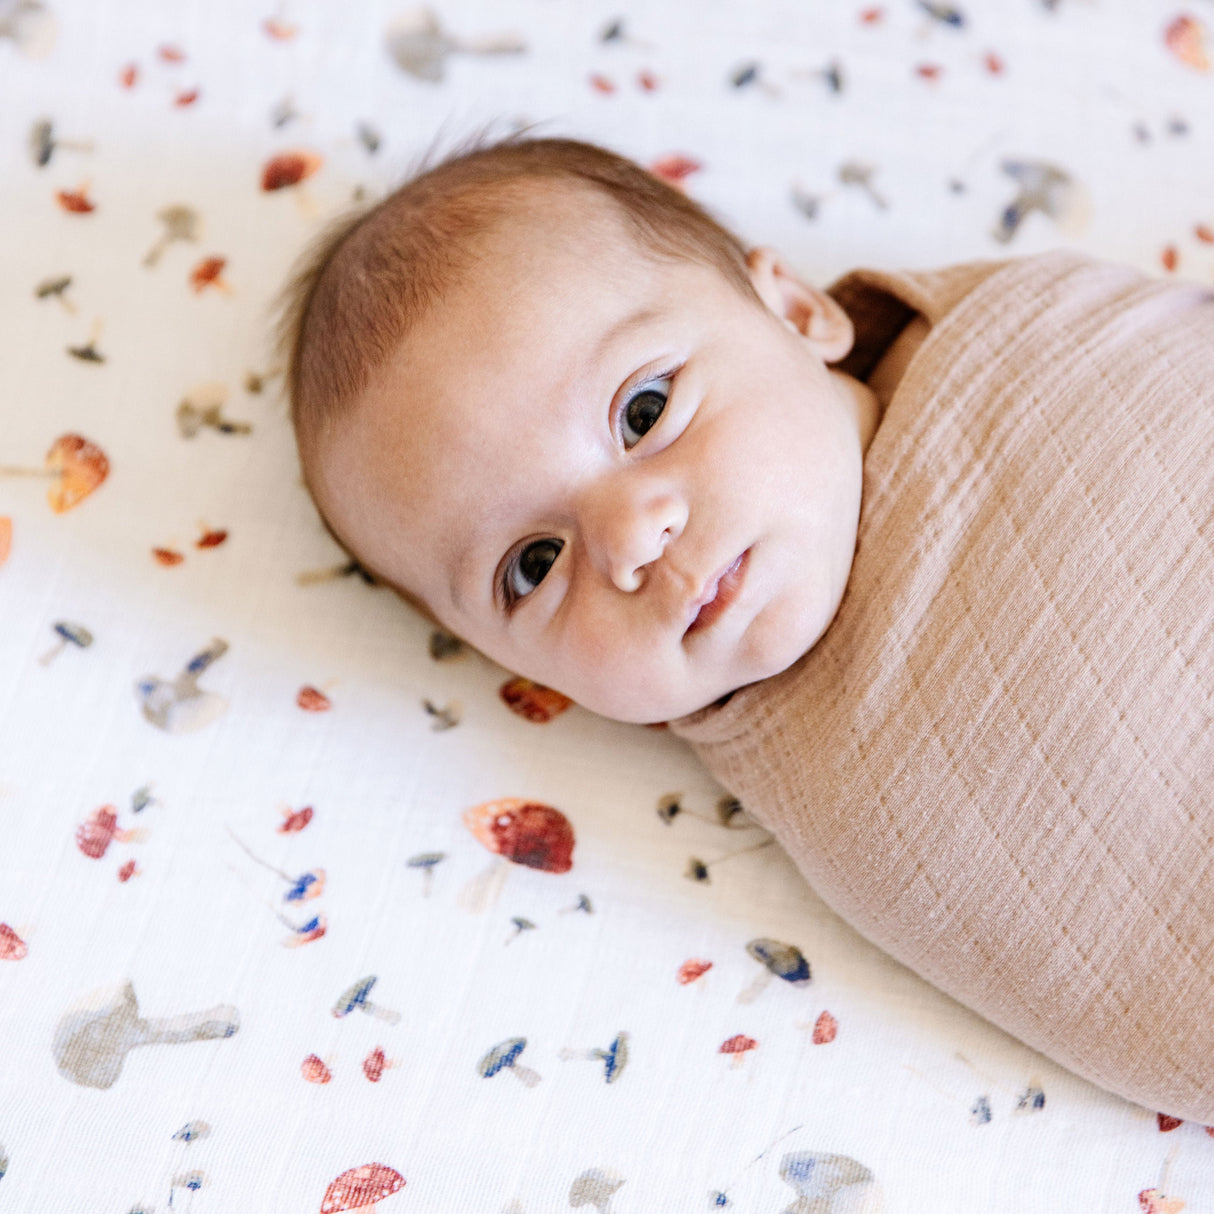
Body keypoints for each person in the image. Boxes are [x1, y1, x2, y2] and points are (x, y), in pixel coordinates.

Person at [277, 134, 1214, 1121]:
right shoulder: (822, 779)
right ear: (517, 670)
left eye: (644, 409)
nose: (631, 536)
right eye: (532, 566)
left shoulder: (1032, 341)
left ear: (797, 311)